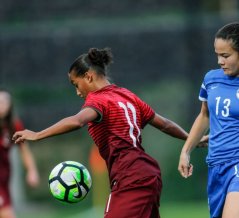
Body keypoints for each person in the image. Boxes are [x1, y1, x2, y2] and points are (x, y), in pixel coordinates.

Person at [13, 47, 192, 218]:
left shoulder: (99, 100)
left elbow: (77, 121)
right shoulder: (127, 95)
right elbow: (165, 124)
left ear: (89, 77)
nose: (77, 92)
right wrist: (192, 139)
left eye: (76, 84)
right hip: (148, 173)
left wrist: (37, 135)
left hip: (130, 177)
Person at [178, 22, 239, 218]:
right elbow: (205, 115)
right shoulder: (211, 79)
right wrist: (186, 151)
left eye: (226, 56)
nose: (220, 61)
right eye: (217, 54)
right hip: (215, 166)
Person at [0, 89, 39, 218]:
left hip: (4, 180)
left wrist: (32, 171)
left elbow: (24, 149)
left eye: (6, 102)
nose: (2, 105)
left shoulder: (13, 125)